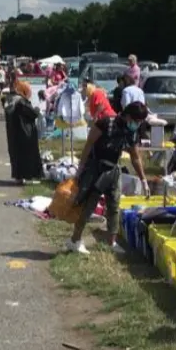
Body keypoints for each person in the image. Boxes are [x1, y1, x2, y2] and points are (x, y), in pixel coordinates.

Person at [67, 102, 150, 256]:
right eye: (136, 121)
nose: (137, 125)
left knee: (114, 206)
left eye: (140, 122)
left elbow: (135, 157)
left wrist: (143, 180)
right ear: (128, 116)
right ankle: (74, 240)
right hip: (95, 169)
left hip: (114, 170)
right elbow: (88, 145)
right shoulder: (105, 123)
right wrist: (79, 170)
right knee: (88, 207)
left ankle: (111, 241)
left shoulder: (131, 132)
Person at [5, 81, 43, 184]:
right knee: (27, 155)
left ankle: (19, 178)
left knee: (17, 156)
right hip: (25, 132)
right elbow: (32, 114)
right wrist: (38, 109)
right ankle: (27, 177)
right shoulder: (21, 102)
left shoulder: (10, 100)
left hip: (14, 133)